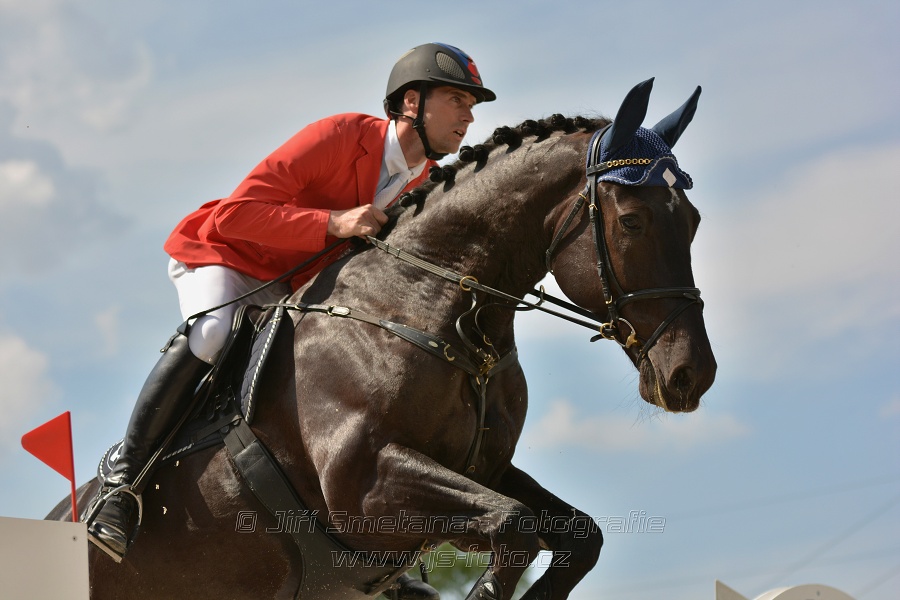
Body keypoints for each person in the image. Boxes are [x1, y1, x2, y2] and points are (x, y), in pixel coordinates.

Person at [87, 42, 496, 594]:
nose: (469, 114)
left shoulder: (425, 183)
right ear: (410, 102)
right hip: (225, 256)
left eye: (472, 103)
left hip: (290, 286)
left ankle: (388, 565)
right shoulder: (339, 136)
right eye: (457, 99)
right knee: (214, 333)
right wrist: (332, 222)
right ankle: (123, 481)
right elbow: (235, 214)